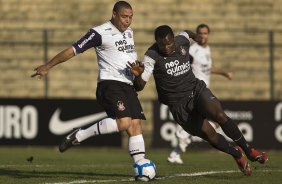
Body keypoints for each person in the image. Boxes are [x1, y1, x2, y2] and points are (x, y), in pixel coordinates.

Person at [131, 25, 268, 175]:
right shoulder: (151, 56)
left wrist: (195, 36)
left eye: (169, 43)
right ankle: (237, 154)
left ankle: (250, 150)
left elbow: (187, 33)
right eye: (162, 44)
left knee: (220, 115)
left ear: (173, 40)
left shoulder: (181, 41)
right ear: (156, 41)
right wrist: (138, 76)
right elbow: (139, 87)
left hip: (195, 90)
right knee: (210, 135)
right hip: (178, 105)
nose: (166, 47)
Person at [31, 1, 148, 164]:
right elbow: (72, 50)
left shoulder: (129, 32)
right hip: (110, 84)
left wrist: (137, 72)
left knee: (135, 125)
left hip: (127, 85)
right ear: (114, 14)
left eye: (130, 17)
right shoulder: (99, 33)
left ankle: (141, 166)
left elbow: (125, 58)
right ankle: (79, 134)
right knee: (124, 122)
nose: (127, 21)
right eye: (124, 17)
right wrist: (48, 66)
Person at [167, 24, 233, 164]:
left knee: (209, 123)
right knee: (215, 120)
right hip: (195, 92)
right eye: (200, 33)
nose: (203, 36)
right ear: (197, 35)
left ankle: (176, 151)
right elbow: (181, 63)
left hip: (204, 91)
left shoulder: (207, 49)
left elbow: (208, 68)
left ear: (208, 35)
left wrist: (224, 73)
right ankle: (183, 134)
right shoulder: (193, 50)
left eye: (205, 33)